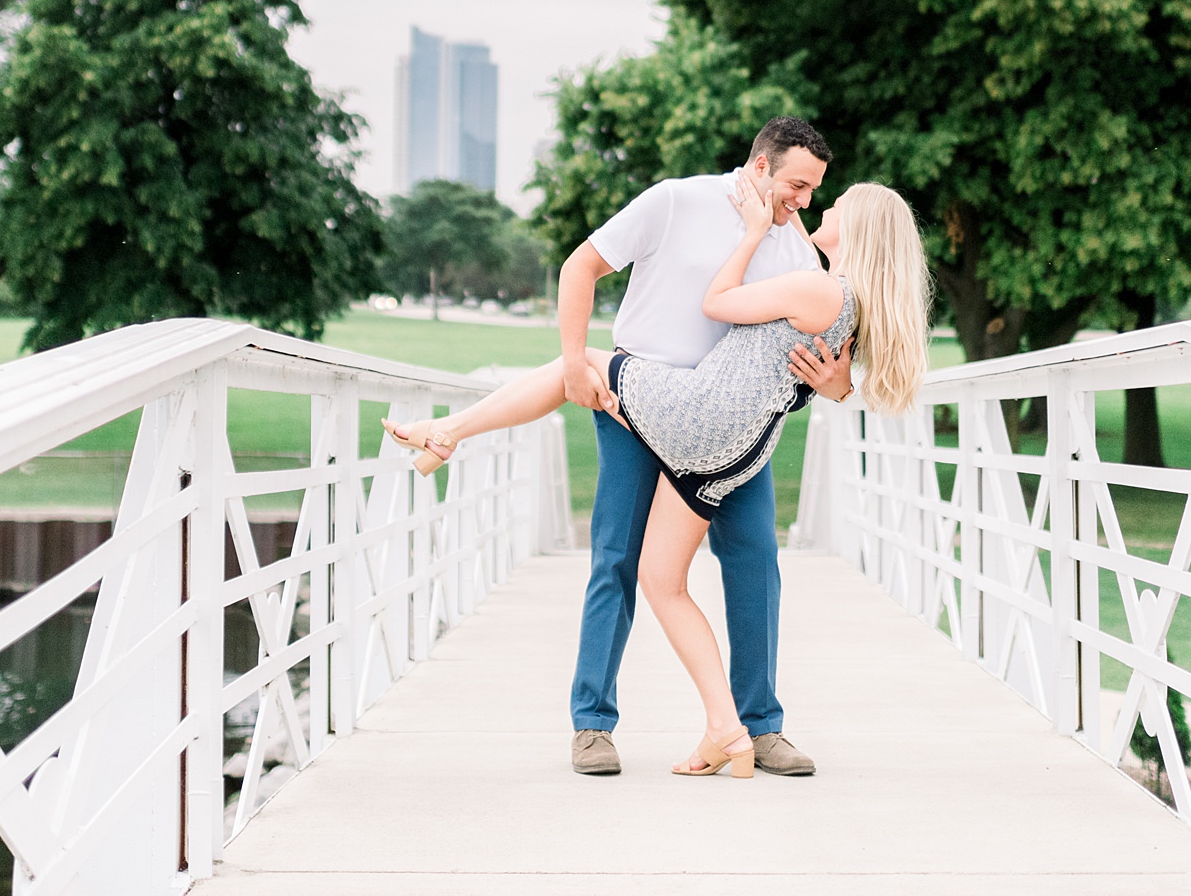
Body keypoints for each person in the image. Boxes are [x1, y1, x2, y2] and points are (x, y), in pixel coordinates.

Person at [382, 119, 930, 778]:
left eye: (816, 191)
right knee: (616, 559)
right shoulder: (676, 201)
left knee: (755, 565)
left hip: (728, 428)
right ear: (761, 166)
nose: (805, 201)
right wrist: (573, 363)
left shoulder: (803, 255)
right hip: (637, 405)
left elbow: (827, 363)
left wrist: (836, 386)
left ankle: (759, 728)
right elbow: (581, 266)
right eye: (797, 185)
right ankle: (593, 725)